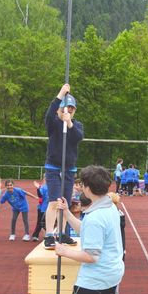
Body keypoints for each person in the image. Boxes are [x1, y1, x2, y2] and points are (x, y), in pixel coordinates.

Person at [55, 165, 125, 294]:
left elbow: (91, 257)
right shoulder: (110, 206)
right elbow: (87, 231)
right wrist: (67, 213)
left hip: (95, 282)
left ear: (88, 188)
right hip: (111, 275)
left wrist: (64, 251)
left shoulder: (95, 218)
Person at [44, 84, 84, 249]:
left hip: (69, 169)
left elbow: (78, 138)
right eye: (65, 109)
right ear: (59, 110)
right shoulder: (53, 123)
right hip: (54, 167)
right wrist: (60, 94)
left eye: (71, 109)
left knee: (65, 202)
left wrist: (69, 123)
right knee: (54, 202)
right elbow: (48, 114)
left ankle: (61, 233)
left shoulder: (76, 125)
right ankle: (48, 235)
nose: (68, 111)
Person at [108, 192, 126, 294]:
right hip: (121, 247)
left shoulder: (113, 214)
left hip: (115, 248)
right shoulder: (119, 212)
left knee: (112, 273)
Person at [32, 177, 49, 242]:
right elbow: (40, 195)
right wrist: (38, 188)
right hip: (42, 208)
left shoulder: (54, 187)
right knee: (40, 222)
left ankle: (48, 235)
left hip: (51, 208)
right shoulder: (43, 187)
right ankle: (35, 235)